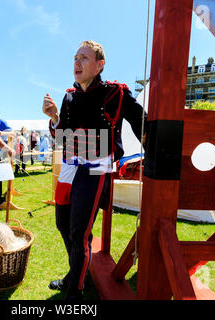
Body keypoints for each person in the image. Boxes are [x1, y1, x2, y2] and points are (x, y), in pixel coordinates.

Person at [42, 40, 147, 300]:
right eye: (75, 58)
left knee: (80, 231)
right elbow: (62, 139)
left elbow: (142, 123)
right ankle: (77, 272)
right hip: (69, 167)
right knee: (63, 225)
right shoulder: (68, 96)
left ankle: (75, 290)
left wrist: (153, 150)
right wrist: (55, 117)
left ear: (100, 65)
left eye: (84, 58)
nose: (77, 62)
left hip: (95, 169)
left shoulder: (116, 93)